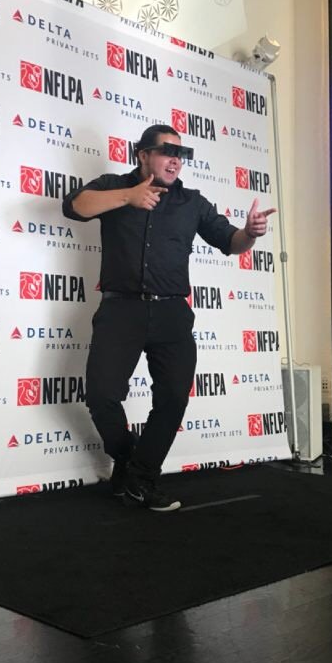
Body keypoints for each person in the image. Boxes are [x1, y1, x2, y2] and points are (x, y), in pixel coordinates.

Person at [62, 124, 275, 512]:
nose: (176, 159)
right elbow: (73, 206)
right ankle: (128, 461)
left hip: (172, 314)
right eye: (166, 151)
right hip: (120, 309)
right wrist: (129, 196)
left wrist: (251, 232)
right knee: (101, 395)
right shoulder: (113, 186)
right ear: (142, 154)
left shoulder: (192, 202)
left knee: (173, 398)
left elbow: (232, 243)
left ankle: (141, 480)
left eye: (181, 154)